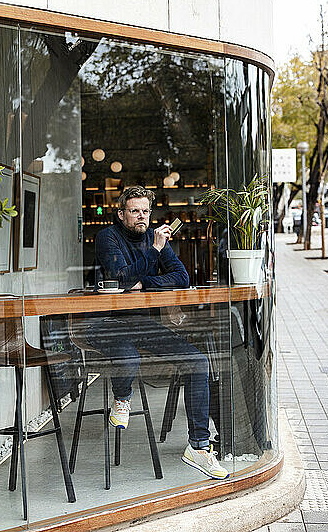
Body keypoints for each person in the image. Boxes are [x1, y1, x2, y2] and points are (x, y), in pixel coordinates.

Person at [86, 186, 228, 480]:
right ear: (121, 213)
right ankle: (122, 398)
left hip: (142, 324)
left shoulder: (156, 240)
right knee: (130, 359)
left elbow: (181, 277)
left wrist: (144, 282)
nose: (142, 216)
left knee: (198, 361)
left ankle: (199, 448)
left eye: (146, 211)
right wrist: (152, 254)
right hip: (106, 323)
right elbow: (121, 277)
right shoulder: (107, 237)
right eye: (135, 211)